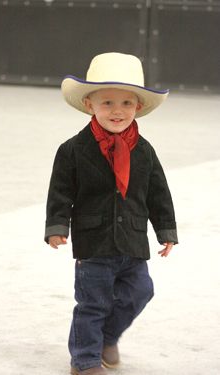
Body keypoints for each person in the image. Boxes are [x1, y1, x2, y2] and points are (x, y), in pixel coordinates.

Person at [44, 52, 178, 375]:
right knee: (93, 303)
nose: (117, 112)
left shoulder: (144, 152)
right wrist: (57, 225)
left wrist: (166, 231)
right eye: (107, 103)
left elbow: (158, 193)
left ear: (139, 107)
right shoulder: (73, 150)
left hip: (132, 240)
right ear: (90, 104)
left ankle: (107, 337)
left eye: (126, 104)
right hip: (94, 243)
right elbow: (60, 191)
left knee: (140, 291)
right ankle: (85, 360)